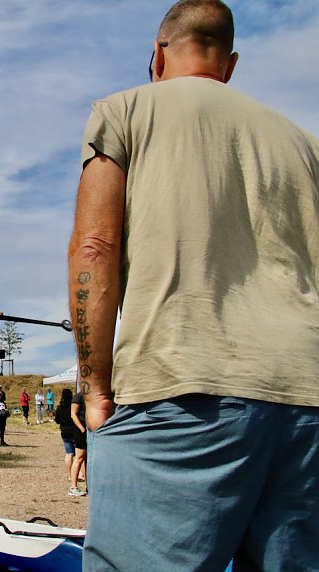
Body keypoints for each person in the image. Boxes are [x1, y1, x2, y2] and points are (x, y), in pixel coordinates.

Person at [68, 1, 319, 569]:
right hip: (306, 396)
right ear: (230, 64)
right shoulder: (305, 146)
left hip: (184, 384)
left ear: (157, 54)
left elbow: (95, 247)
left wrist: (95, 387)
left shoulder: (125, 109)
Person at [53, 389, 76, 484]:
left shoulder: (59, 408)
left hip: (64, 432)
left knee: (69, 454)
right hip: (75, 431)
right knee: (79, 455)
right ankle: (80, 474)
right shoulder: (73, 406)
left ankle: (70, 475)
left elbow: (57, 420)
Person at [68, 391, 86, 497]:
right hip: (81, 430)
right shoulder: (78, 396)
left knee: (87, 459)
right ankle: (73, 487)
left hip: (90, 429)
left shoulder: (91, 395)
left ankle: (89, 486)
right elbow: (73, 414)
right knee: (78, 458)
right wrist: (82, 429)